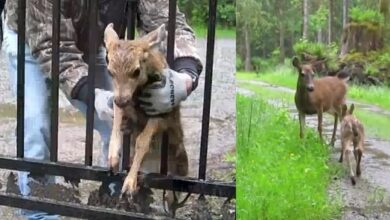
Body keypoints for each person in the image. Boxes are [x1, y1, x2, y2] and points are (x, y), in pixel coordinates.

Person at [2, 0, 203, 219]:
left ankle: (113, 200)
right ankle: (39, 213)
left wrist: (186, 76)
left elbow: (165, 18)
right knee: (36, 127)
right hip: (32, 41)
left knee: (117, 126)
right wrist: (93, 96)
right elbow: (52, 46)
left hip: (92, 42)